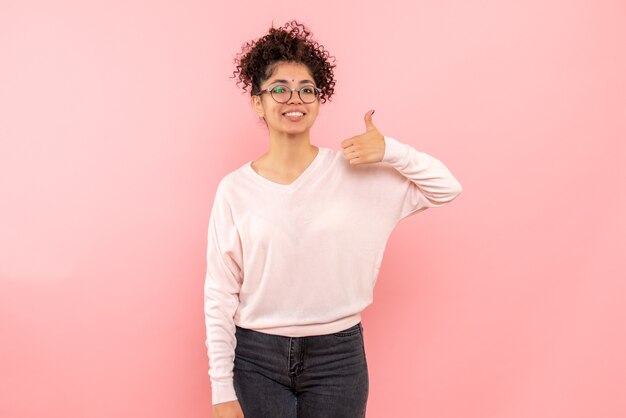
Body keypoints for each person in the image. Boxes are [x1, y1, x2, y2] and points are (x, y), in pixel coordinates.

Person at [204, 20, 463, 418]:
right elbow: (219, 294)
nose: (296, 98)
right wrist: (222, 388)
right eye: (280, 89)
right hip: (257, 359)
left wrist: (391, 150)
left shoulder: (354, 173)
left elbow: (446, 188)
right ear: (258, 101)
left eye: (307, 89)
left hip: (338, 358)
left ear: (319, 99)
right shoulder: (234, 190)